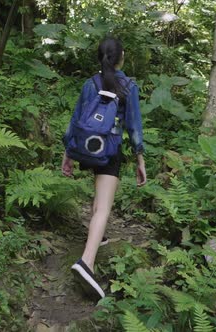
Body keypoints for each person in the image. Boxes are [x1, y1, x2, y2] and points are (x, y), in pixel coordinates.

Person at [61, 37, 147, 300]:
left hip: (87, 149)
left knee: (98, 198)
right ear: (121, 56)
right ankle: (86, 261)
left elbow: (76, 120)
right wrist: (140, 158)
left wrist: (68, 153)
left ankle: (100, 236)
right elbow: (133, 126)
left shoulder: (90, 83)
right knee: (104, 207)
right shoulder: (128, 85)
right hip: (109, 150)